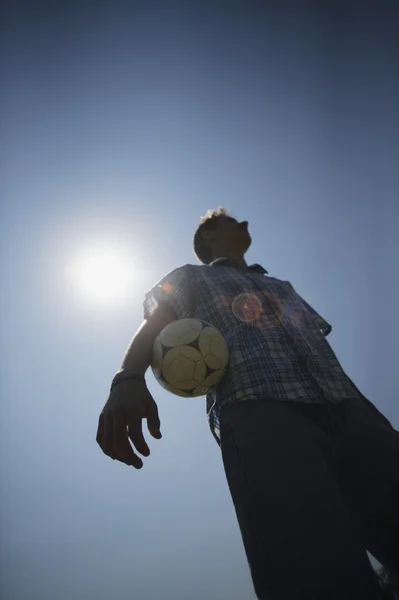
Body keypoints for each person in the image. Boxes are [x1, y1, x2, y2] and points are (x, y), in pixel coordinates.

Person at [96, 207, 399, 600]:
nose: (246, 223)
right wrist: (127, 378)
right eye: (231, 221)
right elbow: (155, 325)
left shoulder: (282, 286)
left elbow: (316, 337)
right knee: (315, 565)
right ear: (208, 237)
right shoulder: (189, 277)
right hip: (261, 413)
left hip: (352, 409)